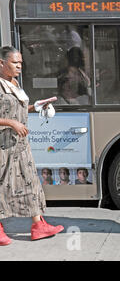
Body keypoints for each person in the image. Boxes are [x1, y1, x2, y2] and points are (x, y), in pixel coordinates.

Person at [0, 46, 64, 246]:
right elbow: (10, 117)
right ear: (1, 63)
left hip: (20, 145)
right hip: (3, 146)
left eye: (20, 63)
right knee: (2, 184)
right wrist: (11, 123)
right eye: (14, 63)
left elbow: (17, 109)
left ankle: (39, 225)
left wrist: (35, 107)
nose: (19, 66)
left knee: (30, 182)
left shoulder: (15, 84)